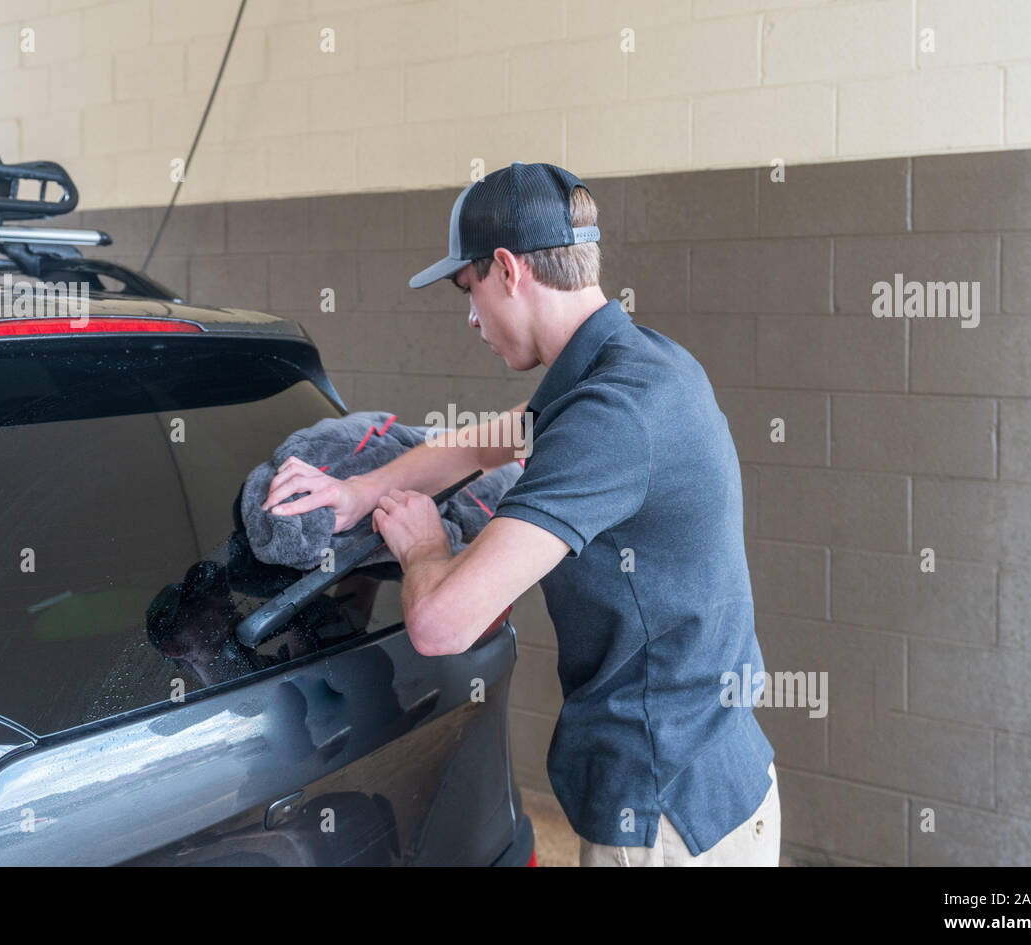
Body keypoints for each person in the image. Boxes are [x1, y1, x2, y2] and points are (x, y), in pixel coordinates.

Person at [260, 161, 779, 866]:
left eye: (467, 289)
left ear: (508, 268)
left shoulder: (610, 418)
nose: (472, 317)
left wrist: (422, 546)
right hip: (723, 778)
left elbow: (443, 622)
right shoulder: (642, 364)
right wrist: (358, 490)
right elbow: (485, 441)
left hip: (667, 824)